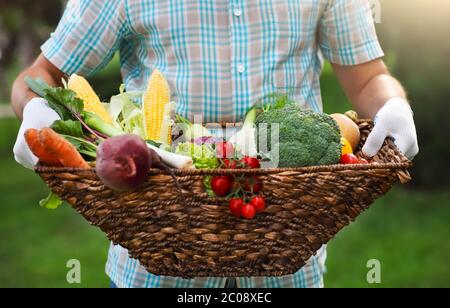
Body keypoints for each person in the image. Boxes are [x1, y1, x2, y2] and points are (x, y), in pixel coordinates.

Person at [11, 0, 418, 288]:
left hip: (289, 266)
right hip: (154, 271)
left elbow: (367, 79)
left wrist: (394, 104)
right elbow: (42, 73)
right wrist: (36, 110)